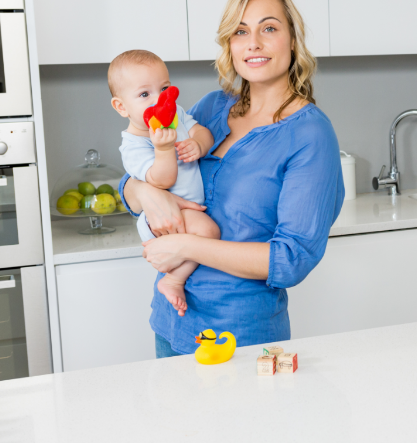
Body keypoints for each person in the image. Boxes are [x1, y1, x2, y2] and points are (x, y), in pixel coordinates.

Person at [119, 0, 345, 357]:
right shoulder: (212, 107)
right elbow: (137, 171)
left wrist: (185, 246)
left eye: (268, 28)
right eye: (241, 31)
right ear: (230, 44)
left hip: (239, 338)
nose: (253, 42)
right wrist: (146, 193)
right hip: (170, 323)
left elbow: (291, 259)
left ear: (292, 41)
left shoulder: (310, 134)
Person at [109, 50, 219, 316]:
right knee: (210, 233)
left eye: (164, 88)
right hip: (164, 219)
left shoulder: (176, 114)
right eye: (144, 94)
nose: (159, 100)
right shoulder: (133, 146)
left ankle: (176, 274)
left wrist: (198, 144)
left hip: (186, 210)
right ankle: (174, 280)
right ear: (121, 107)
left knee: (205, 232)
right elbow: (161, 179)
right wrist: (164, 148)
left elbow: (202, 131)